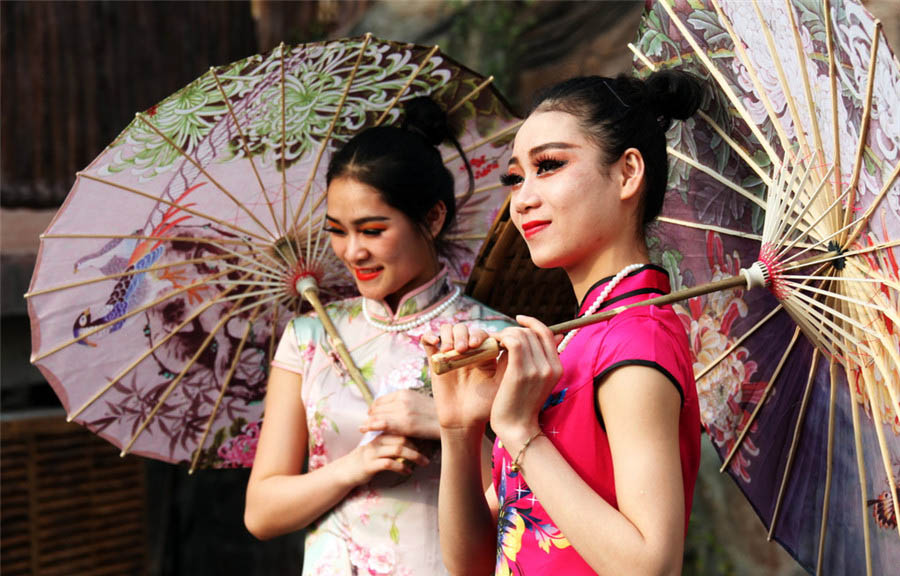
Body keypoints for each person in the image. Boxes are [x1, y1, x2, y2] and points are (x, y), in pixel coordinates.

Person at [426, 71, 704, 575]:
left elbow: (651, 566)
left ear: (627, 173)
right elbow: (471, 564)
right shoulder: (574, 341)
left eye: (549, 166)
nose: (521, 200)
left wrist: (521, 433)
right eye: (515, 178)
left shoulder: (636, 338)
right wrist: (459, 428)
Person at [244, 98, 513, 575]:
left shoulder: (494, 339)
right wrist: (355, 465)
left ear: (433, 218)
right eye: (338, 231)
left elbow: (528, 500)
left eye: (371, 230)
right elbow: (261, 513)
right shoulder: (309, 337)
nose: (352, 252)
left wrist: (449, 426)